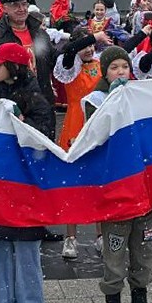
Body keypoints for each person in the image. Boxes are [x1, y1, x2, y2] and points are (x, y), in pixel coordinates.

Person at [0, 42, 53, 303]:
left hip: (24, 189)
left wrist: (22, 122)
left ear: (13, 67)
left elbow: (45, 139)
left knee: (27, 255)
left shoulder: (35, 98)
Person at [86, 47, 152, 303]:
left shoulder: (143, 97)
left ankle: (140, 295)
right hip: (116, 193)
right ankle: (113, 296)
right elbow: (95, 139)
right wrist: (112, 103)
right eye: (114, 67)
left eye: (124, 66)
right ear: (105, 72)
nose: (120, 72)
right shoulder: (95, 100)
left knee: (145, 253)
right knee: (114, 257)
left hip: (146, 191)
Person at [51, 25, 107, 258]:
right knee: (72, 182)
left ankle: (101, 235)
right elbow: (69, 50)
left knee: (99, 181)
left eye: (92, 46)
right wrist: (90, 37)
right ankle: (70, 238)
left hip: (98, 122)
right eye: (84, 46)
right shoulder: (69, 66)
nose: (89, 50)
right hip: (75, 123)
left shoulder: (100, 63)